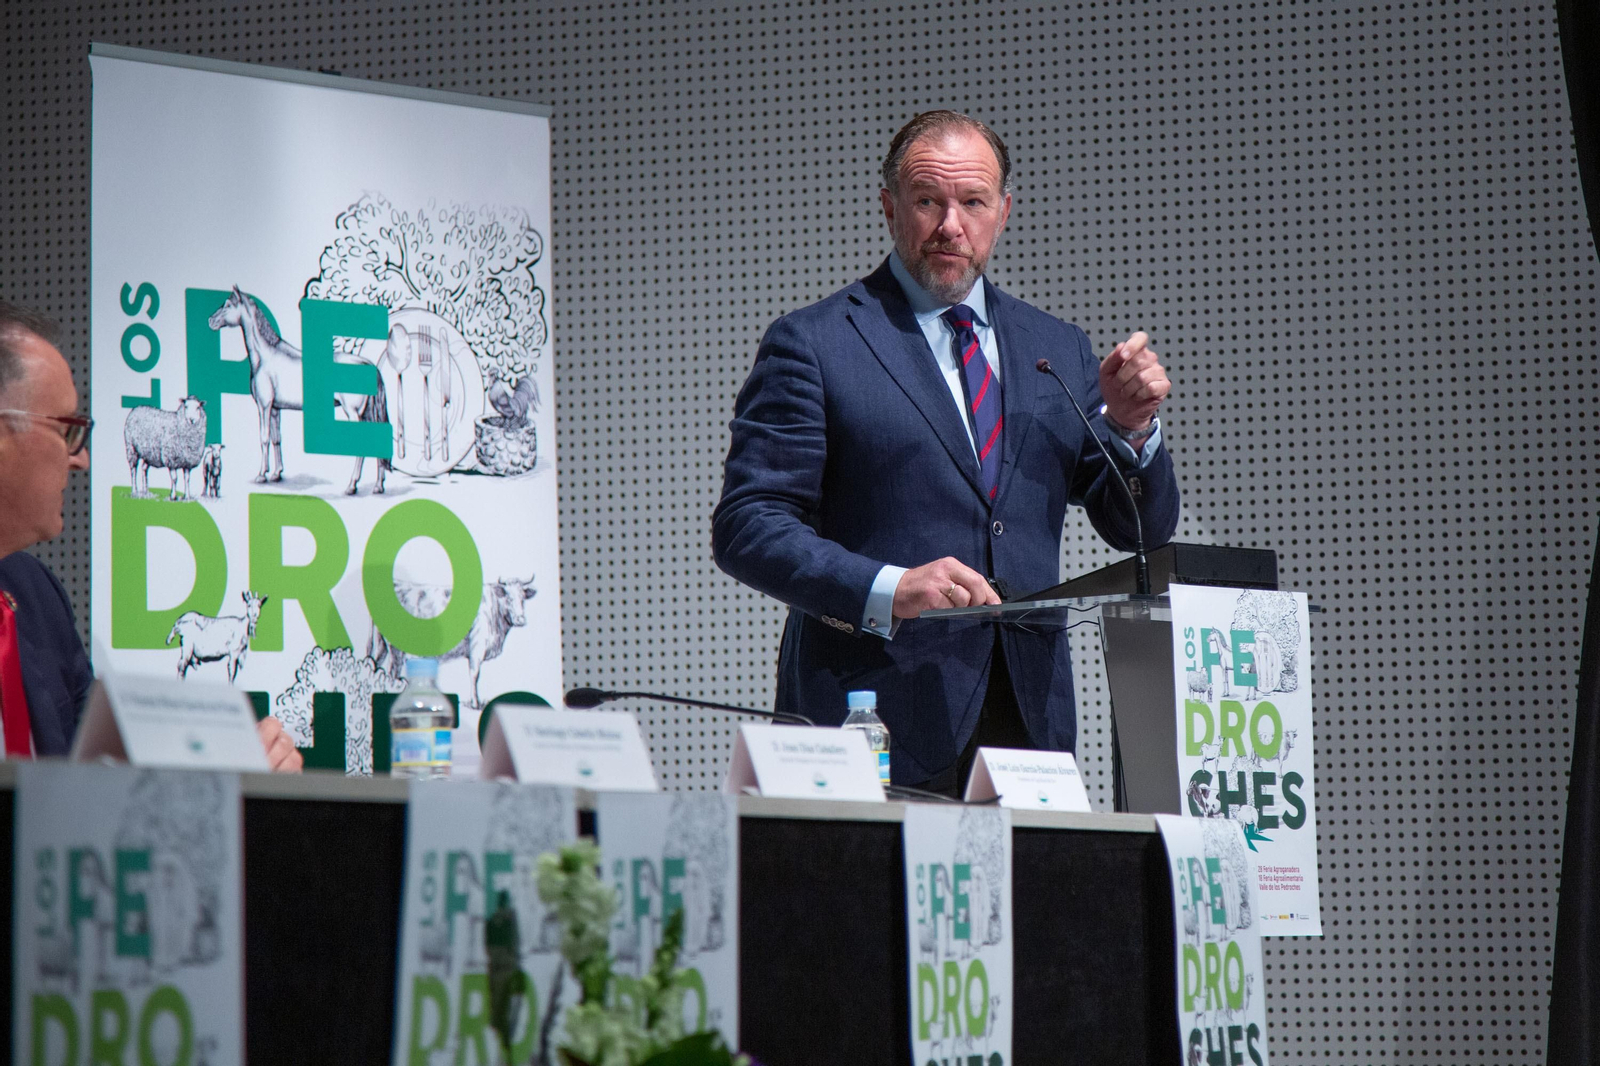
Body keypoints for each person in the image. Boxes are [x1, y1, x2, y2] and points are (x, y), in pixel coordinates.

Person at [712, 111, 1181, 795]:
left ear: (1005, 212)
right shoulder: (814, 344)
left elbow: (1138, 529)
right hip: (872, 716)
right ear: (889, 207)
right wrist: (889, 587)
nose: (950, 226)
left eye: (974, 203)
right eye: (928, 201)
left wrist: (1134, 430)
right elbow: (748, 526)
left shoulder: (1056, 348)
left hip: (1028, 724)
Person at [0, 298, 301, 769]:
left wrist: (234, 771)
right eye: (68, 431)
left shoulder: (36, 595)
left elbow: (100, 777)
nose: (82, 459)